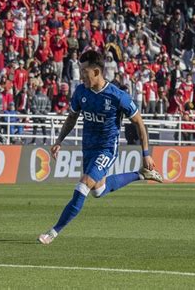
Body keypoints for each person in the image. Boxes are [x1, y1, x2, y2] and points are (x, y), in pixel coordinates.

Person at [38, 50, 163, 245]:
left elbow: (139, 122)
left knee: (83, 185)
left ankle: (53, 231)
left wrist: (146, 154)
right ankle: (140, 175)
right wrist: (59, 141)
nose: (81, 75)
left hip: (106, 149)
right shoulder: (81, 92)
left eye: (84, 71)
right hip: (88, 147)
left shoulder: (117, 96)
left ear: (96, 71)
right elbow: (72, 117)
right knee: (98, 190)